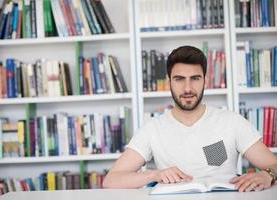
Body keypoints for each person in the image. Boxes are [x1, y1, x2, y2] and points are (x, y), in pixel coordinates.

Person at [102, 46, 277, 192]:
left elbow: (273, 165)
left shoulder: (232, 122)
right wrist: (154, 175)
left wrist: (266, 175)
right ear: (169, 82)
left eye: (195, 79)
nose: (187, 88)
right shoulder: (152, 129)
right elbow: (111, 180)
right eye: (179, 79)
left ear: (205, 81)